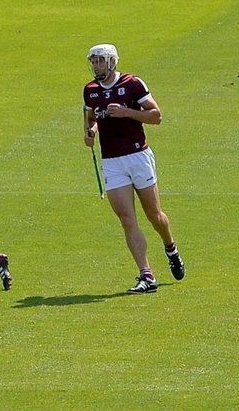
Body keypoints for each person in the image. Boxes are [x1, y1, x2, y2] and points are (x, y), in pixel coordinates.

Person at [83, 43, 183, 295]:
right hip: (112, 161)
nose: (97, 66)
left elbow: (156, 116)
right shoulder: (90, 90)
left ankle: (170, 247)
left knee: (154, 215)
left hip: (138, 156)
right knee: (127, 219)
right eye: (93, 61)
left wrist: (126, 112)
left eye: (101, 61)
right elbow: (92, 116)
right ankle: (146, 274)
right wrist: (91, 131)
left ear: (113, 61)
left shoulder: (132, 84)